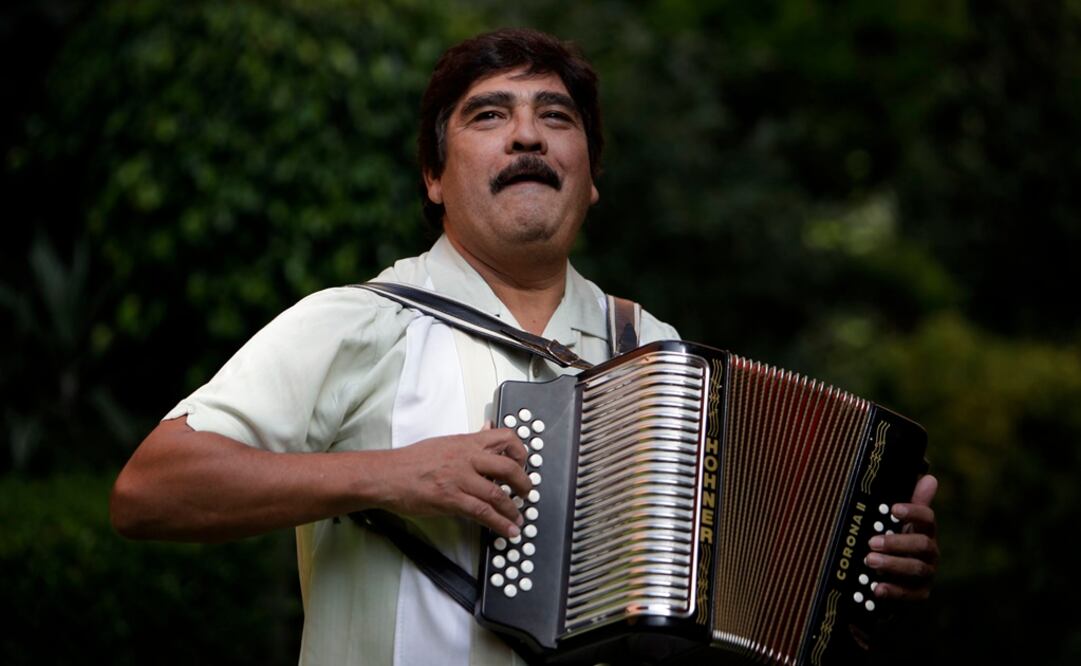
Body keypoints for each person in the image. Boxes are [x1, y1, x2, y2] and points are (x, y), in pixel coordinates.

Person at [110, 27, 939, 666]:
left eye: (556, 117)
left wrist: (855, 568)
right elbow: (149, 490)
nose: (527, 137)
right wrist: (386, 472)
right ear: (433, 178)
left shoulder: (655, 353)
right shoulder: (359, 322)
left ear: (590, 174)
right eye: (488, 115)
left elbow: (729, 588)